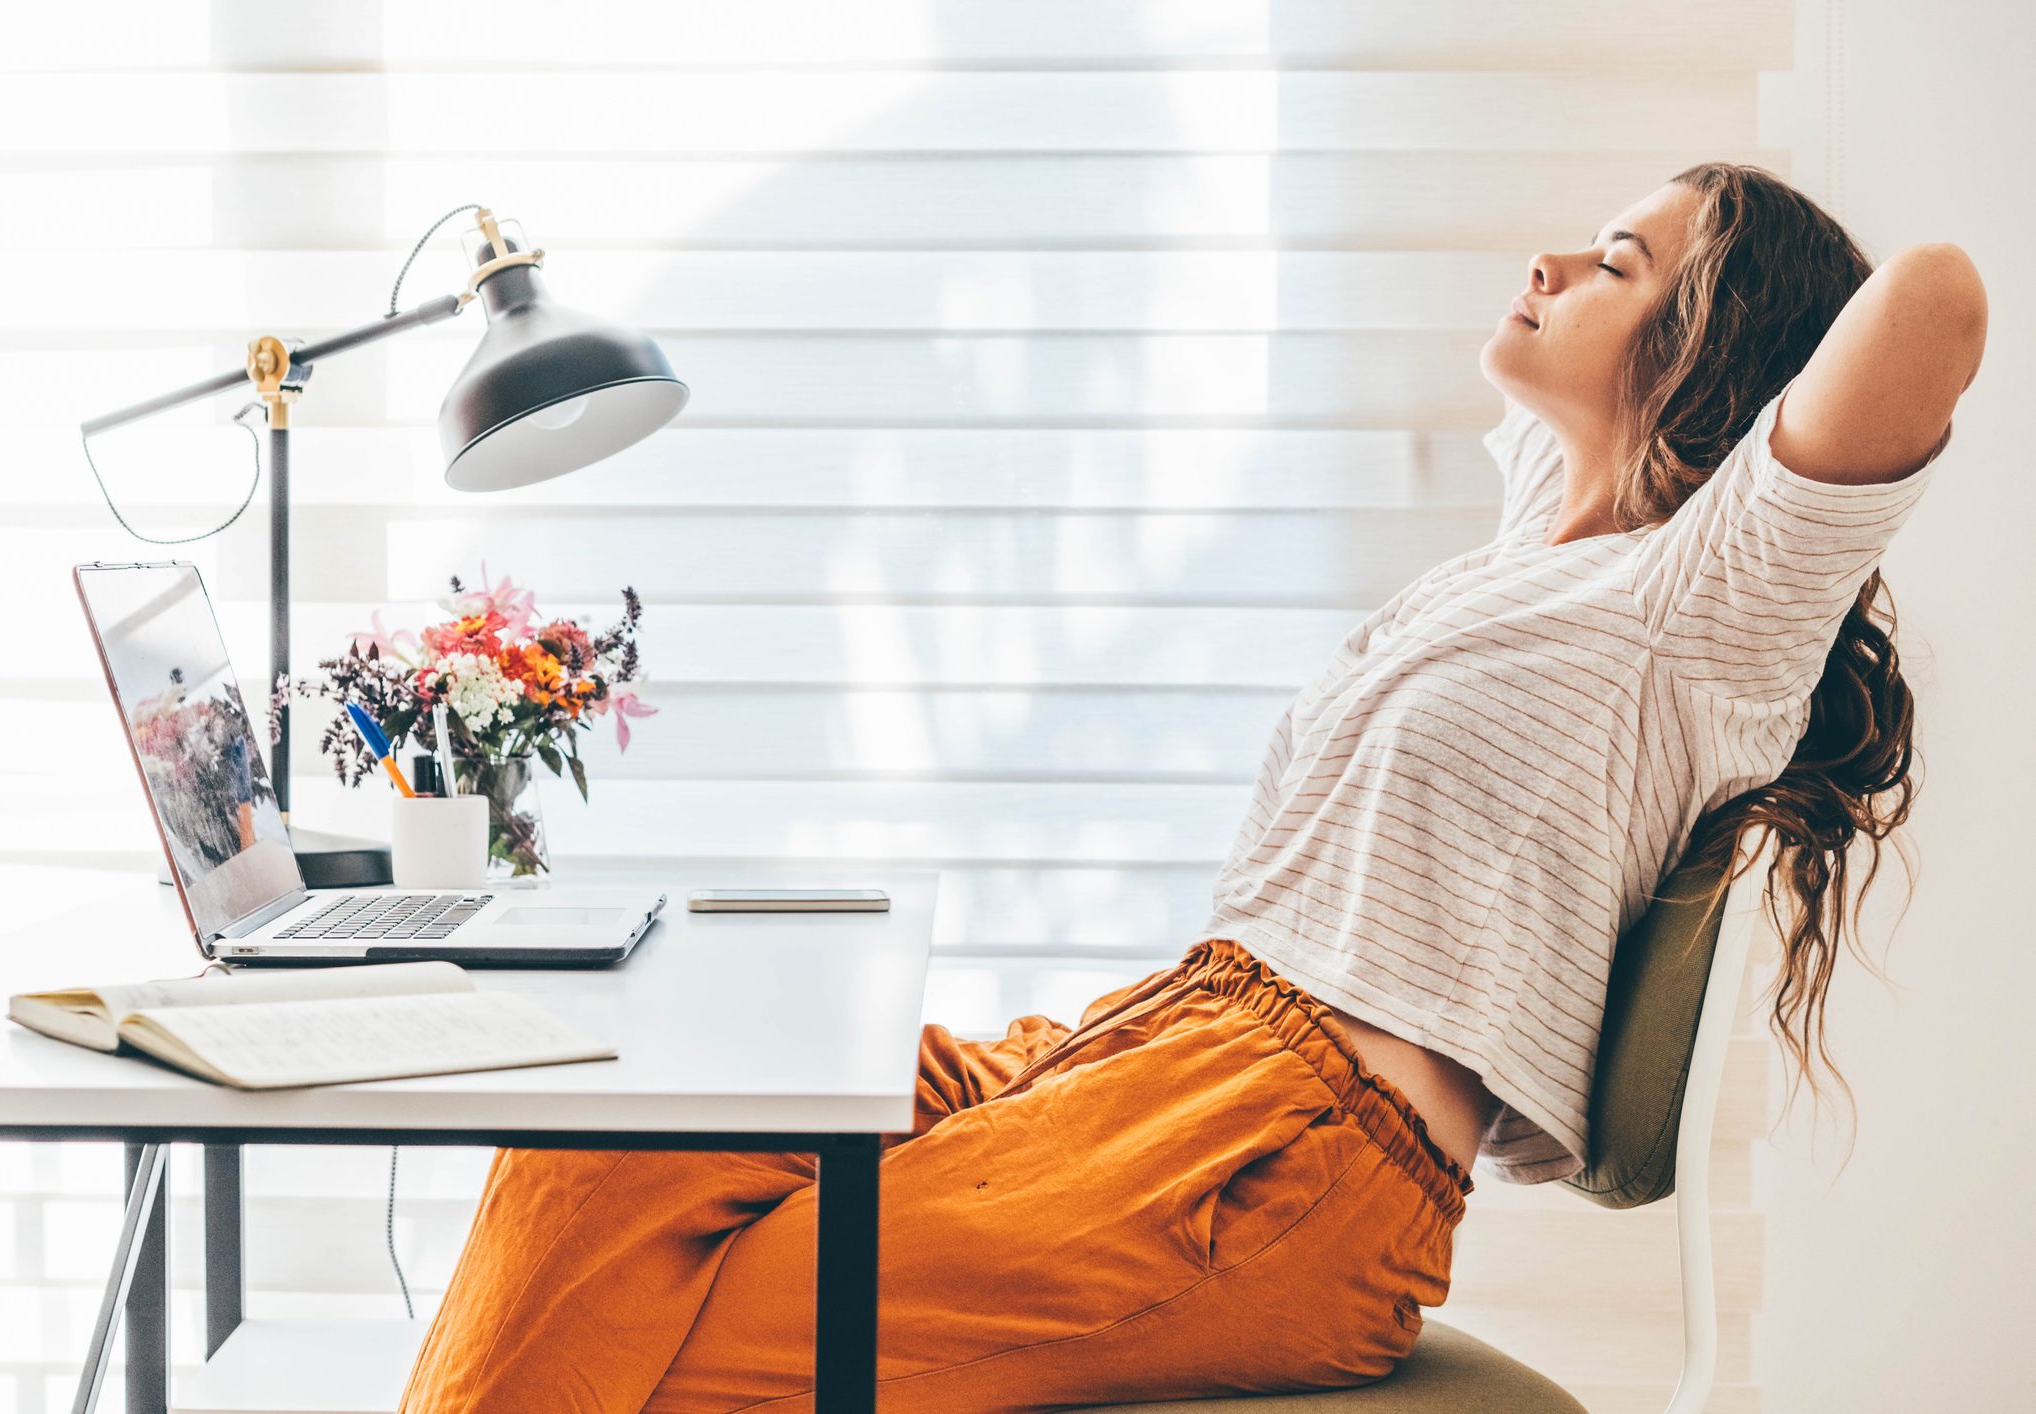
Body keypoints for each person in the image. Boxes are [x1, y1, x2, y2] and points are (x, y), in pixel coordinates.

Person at [397, 162, 1987, 1413]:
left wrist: (1754, 366)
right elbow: (1590, 443)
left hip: (1283, 1159)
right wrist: (1637, 286)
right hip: (1144, 1050)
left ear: (1713, 354)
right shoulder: (1538, 555)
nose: (1550, 266)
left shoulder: (1707, 605)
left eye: (1615, 264)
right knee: (600, 1139)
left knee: (716, 1335)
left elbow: (1934, 297)